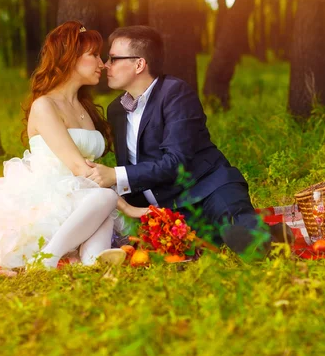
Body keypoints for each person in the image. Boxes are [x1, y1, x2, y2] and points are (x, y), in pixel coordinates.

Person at [0, 21, 147, 270]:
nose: (102, 64)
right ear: (70, 59)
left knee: (100, 203)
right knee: (104, 198)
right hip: (51, 191)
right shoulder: (44, 106)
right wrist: (125, 205)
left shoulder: (84, 108)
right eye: (93, 55)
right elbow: (77, 167)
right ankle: (46, 258)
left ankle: (90, 260)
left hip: (84, 194)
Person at [85, 25, 292, 256]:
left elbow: (176, 162)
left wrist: (116, 174)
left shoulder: (175, 94)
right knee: (197, 245)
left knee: (239, 230)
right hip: (169, 208)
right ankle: (268, 233)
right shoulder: (116, 110)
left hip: (208, 187)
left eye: (113, 58)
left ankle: (263, 237)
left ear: (139, 64)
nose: (105, 65)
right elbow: (135, 167)